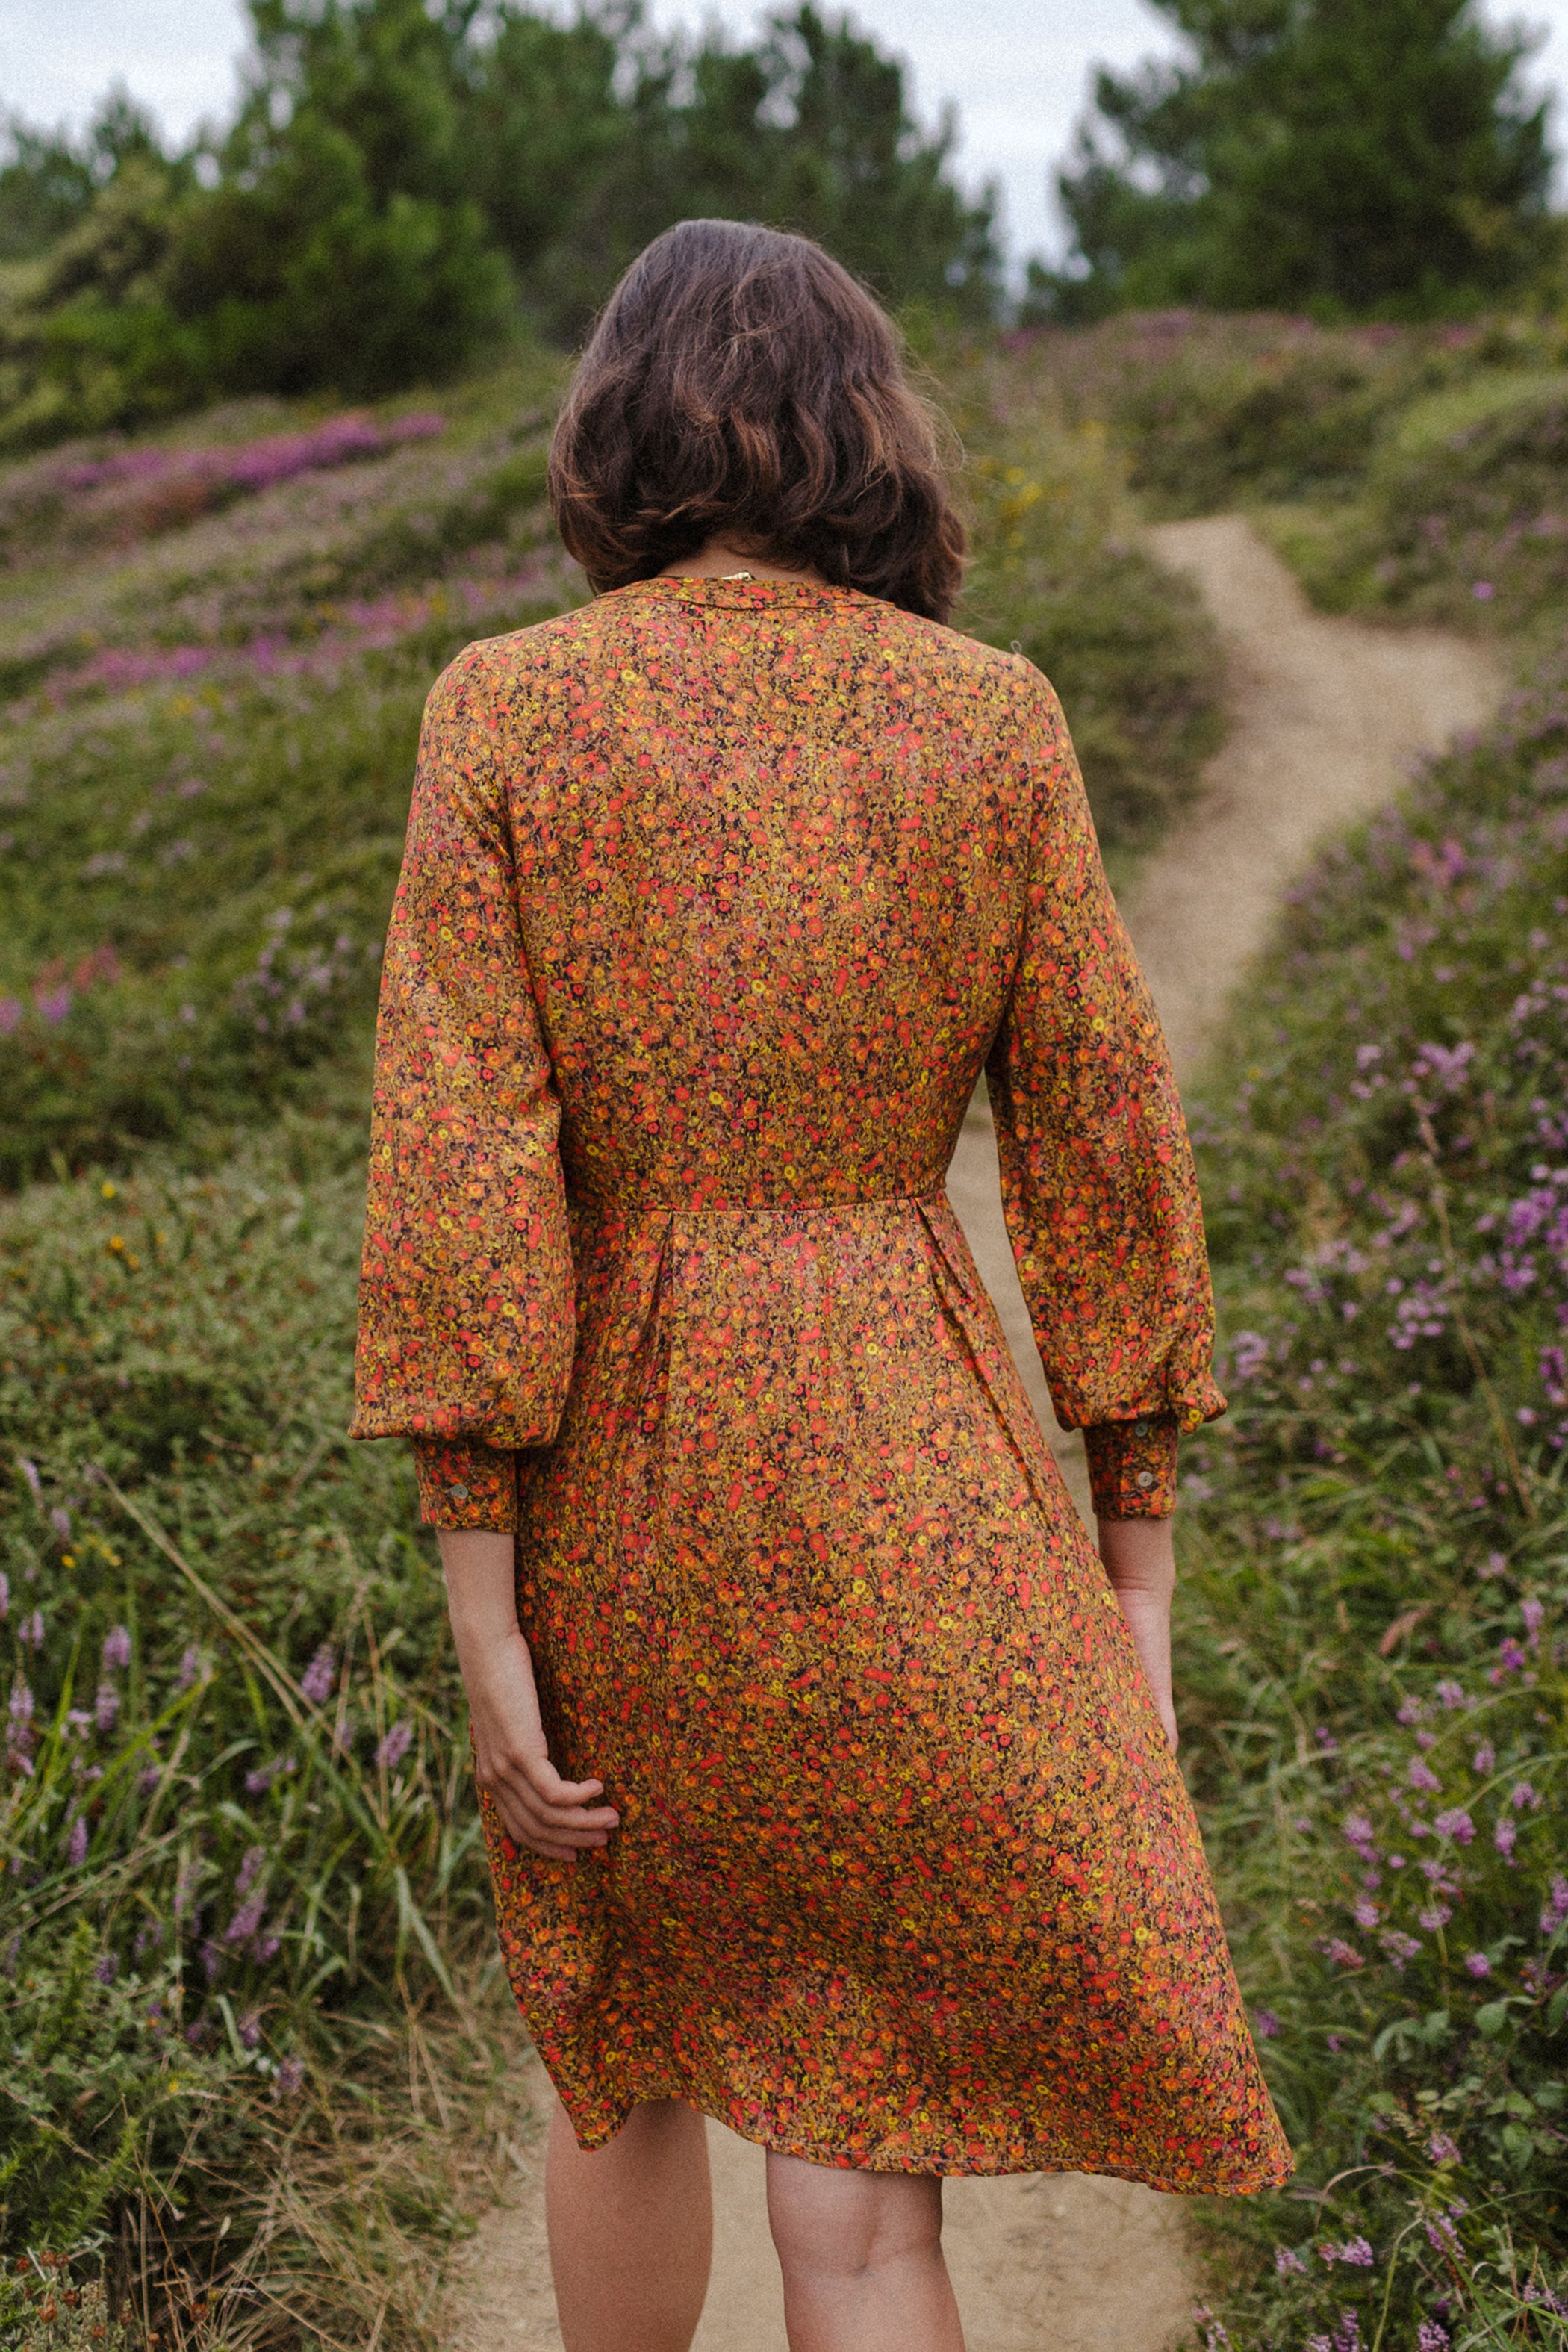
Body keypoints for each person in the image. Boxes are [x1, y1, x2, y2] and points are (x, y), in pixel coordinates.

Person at [351, 217, 1292, 2352]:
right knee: (860, 2212)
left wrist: (480, 1612)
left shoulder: (504, 712)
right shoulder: (989, 721)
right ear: (871, 434)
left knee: (625, 2077)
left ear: (611, 427)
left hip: (623, 1506)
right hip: (917, 1483)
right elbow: (1103, 1148)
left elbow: (460, 1180)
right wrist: (1131, 1586)